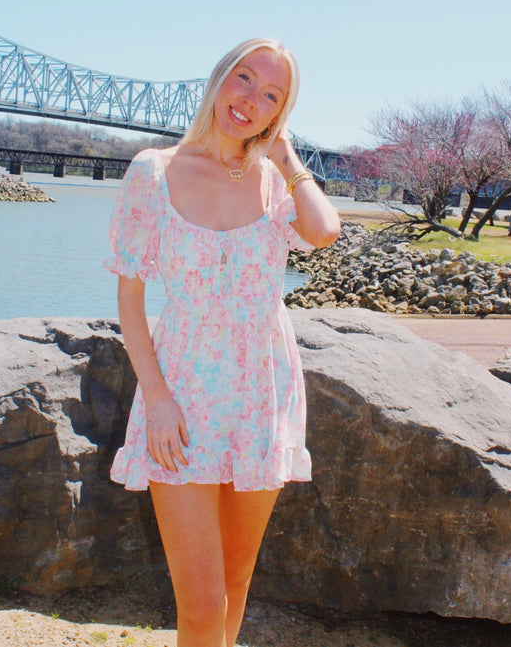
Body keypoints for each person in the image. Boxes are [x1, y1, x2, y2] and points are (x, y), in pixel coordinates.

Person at [105, 38, 340, 647]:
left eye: (272, 96)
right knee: (203, 603)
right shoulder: (151, 172)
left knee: (236, 583)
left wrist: (288, 159)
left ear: (279, 114)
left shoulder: (273, 182)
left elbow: (323, 232)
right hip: (180, 400)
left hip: (263, 394)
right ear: (218, 78)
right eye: (243, 78)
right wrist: (156, 399)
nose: (251, 100)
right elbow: (131, 305)